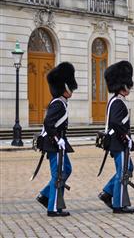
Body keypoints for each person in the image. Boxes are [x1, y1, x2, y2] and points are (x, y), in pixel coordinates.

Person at [36, 62, 77, 217]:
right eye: (70, 87)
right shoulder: (58, 104)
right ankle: (53, 207)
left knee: (66, 169)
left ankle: (45, 195)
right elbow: (48, 123)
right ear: (63, 87)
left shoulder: (61, 102)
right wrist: (56, 138)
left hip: (58, 142)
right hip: (54, 143)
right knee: (58, 174)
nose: (72, 90)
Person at [98, 61, 134, 214]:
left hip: (117, 141)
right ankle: (118, 204)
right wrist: (125, 137)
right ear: (123, 85)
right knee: (123, 172)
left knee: (128, 168)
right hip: (118, 142)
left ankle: (107, 192)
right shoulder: (117, 102)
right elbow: (115, 122)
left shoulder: (117, 101)